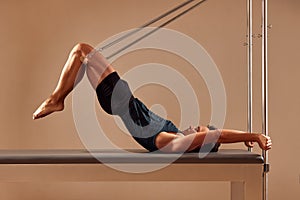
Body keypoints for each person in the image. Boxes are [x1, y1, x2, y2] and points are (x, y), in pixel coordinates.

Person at [33, 43, 272, 153]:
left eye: (196, 131)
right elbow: (212, 135)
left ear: (197, 143)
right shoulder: (174, 135)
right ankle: (58, 98)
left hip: (119, 99)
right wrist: (244, 138)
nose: (191, 127)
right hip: (122, 98)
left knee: (81, 51)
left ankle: (57, 99)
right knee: (82, 60)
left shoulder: (171, 143)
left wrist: (253, 136)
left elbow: (214, 135)